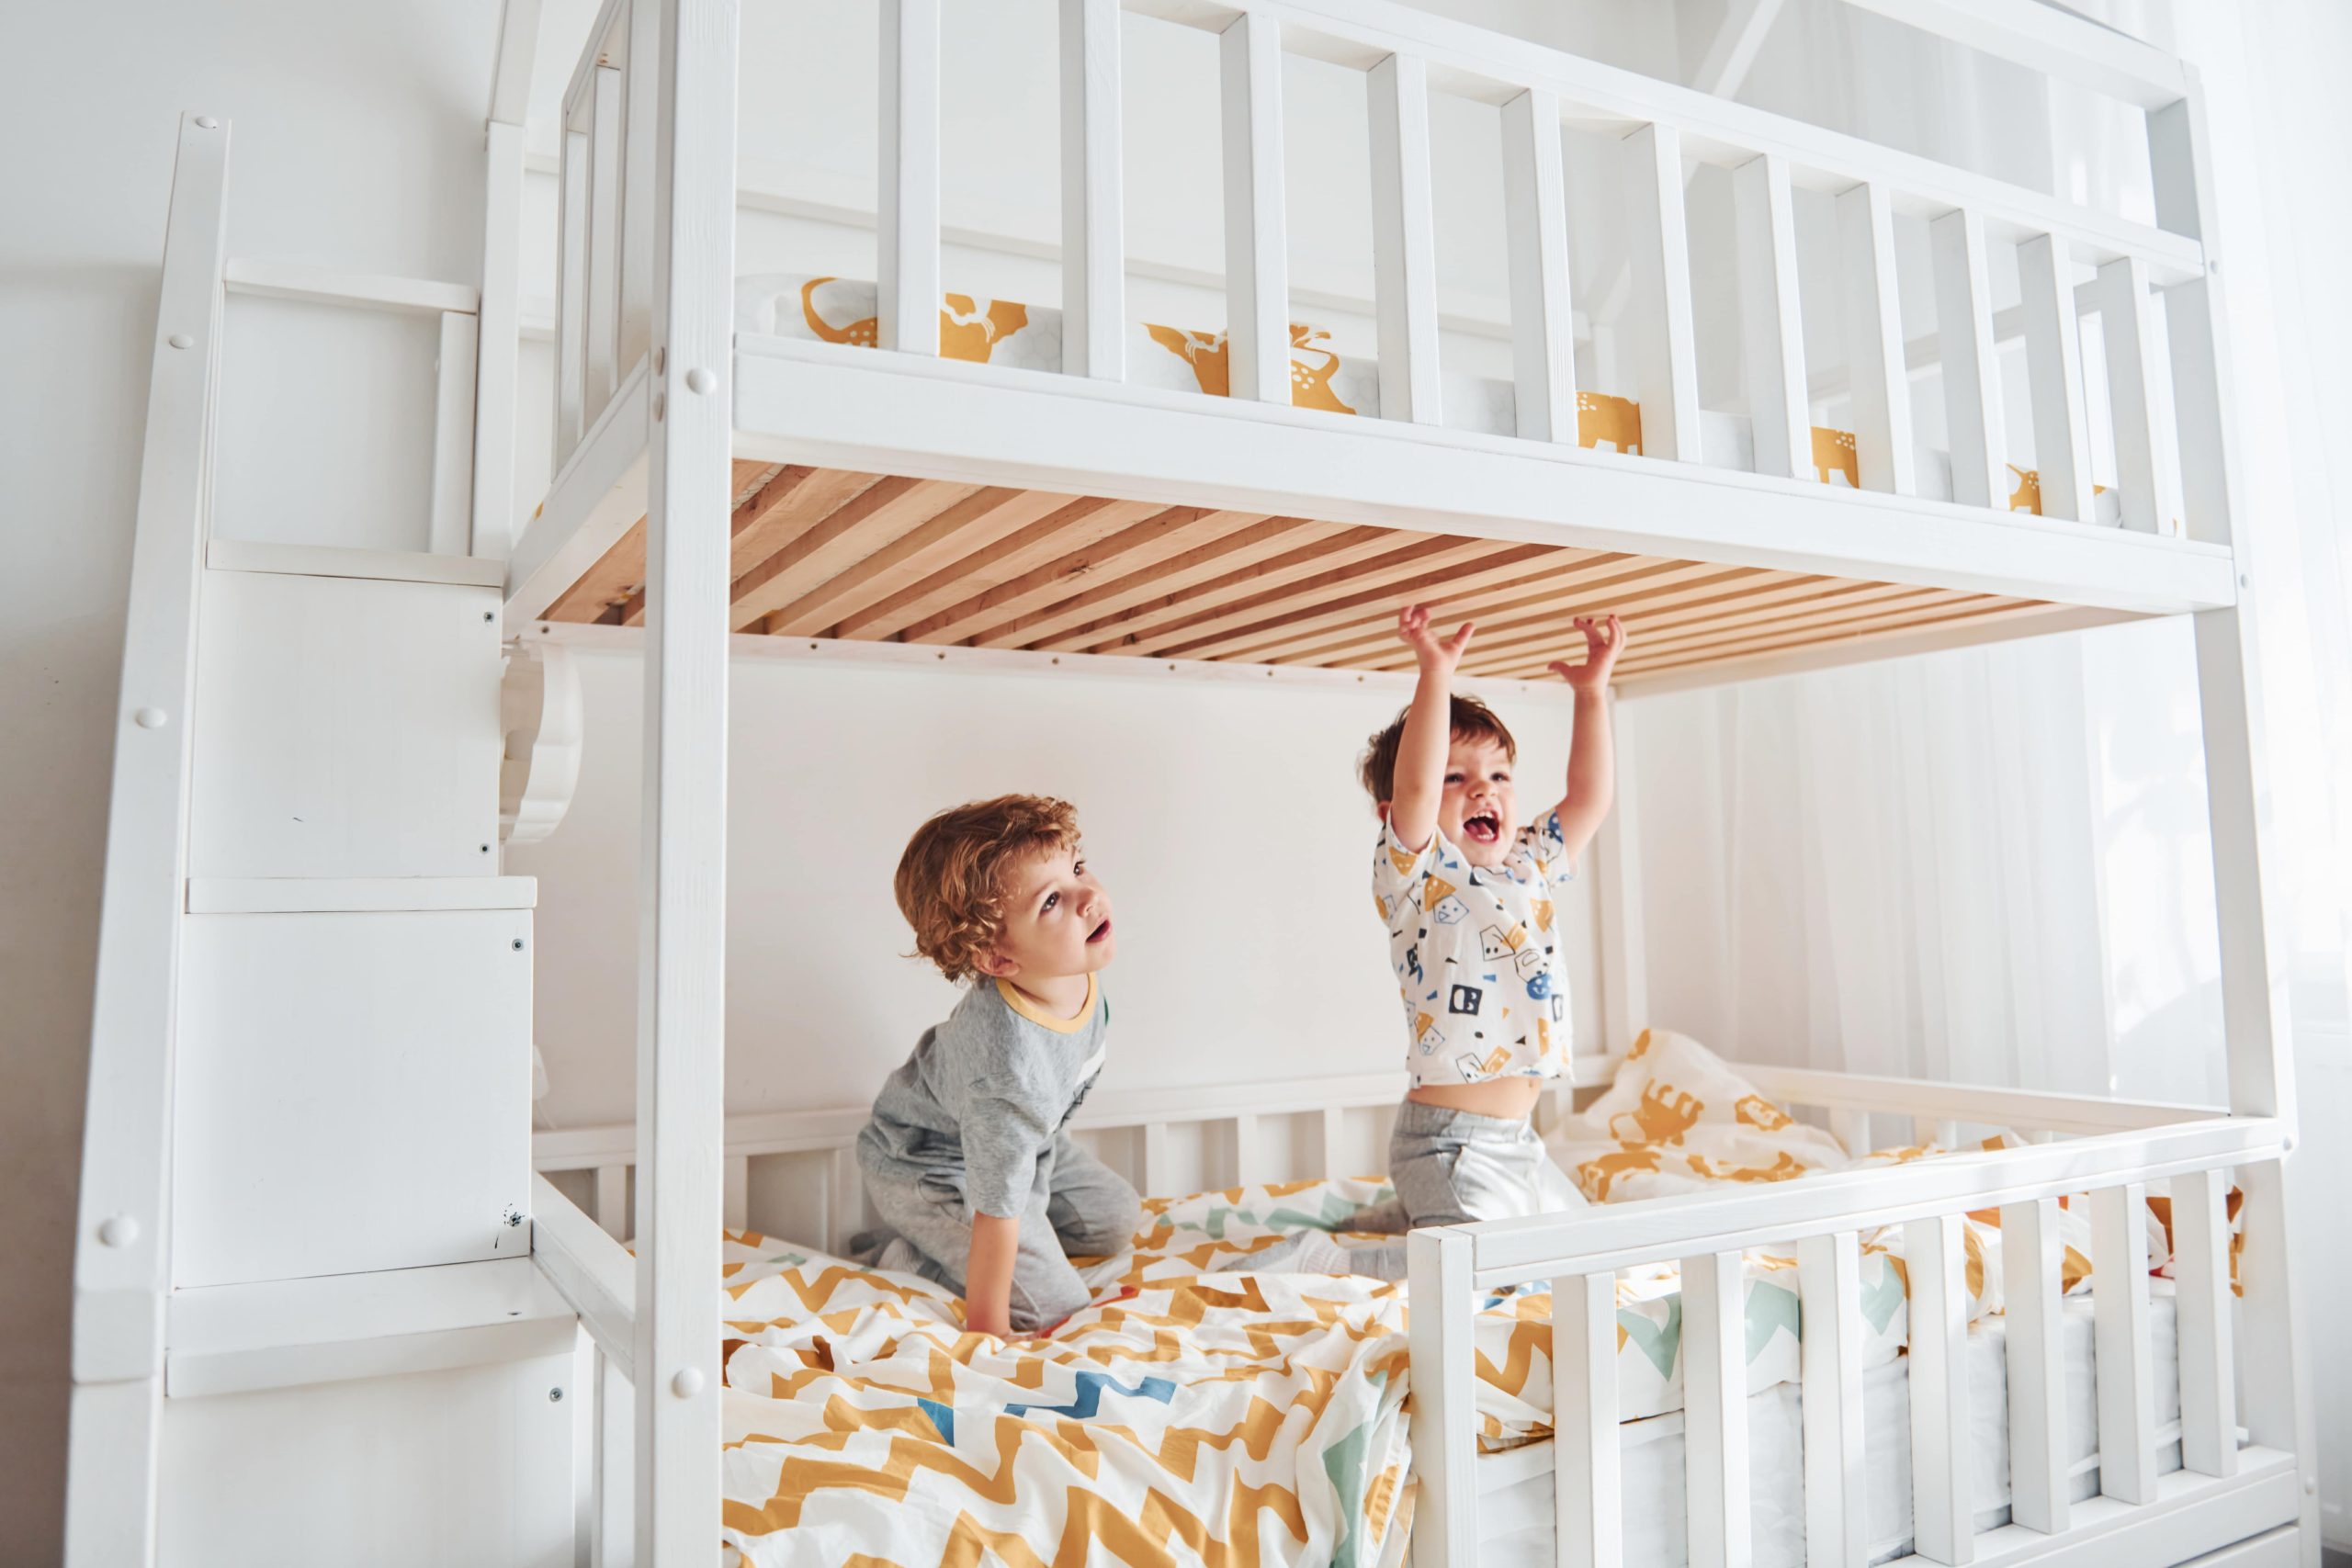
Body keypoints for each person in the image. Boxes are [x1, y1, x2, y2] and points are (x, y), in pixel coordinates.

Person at [1335, 604, 1627, 1279]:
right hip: (1448, 1145)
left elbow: (1589, 798)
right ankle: (1334, 1260)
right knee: (1481, 1268)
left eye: (1498, 775)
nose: (1482, 791)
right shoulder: (1418, 872)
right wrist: (1435, 673)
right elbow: (1411, 782)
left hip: (1519, 1142)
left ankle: (1415, 1215)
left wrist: (1591, 693)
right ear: (1395, 814)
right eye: (1456, 777)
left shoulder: (1531, 861)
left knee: (1594, 1251)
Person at [850, 795, 1141, 1336]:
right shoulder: (1005, 1069)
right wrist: (990, 1330)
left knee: (1117, 1219)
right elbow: (997, 1210)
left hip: (1024, 1147)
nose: (1088, 896)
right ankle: (911, 1259)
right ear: (999, 960)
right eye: (1051, 900)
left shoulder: (1068, 968)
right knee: (1058, 1306)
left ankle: (986, 1246)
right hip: (934, 1167)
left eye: (1077, 868)